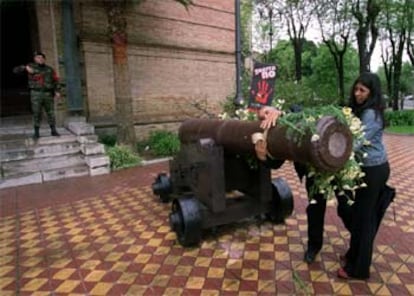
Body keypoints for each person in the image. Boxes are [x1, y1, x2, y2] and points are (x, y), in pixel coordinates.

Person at [256, 105, 351, 264]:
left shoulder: (292, 115)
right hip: (312, 171)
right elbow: (276, 161)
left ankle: (358, 243)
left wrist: (283, 113)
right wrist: (263, 157)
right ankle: (314, 247)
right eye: (261, 117)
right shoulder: (275, 131)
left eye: (266, 112)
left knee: (346, 207)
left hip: (334, 166)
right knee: (315, 208)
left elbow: (300, 112)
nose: (265, 117)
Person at [337, 72, 391, 280]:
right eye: (356, 89)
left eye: (363, 90)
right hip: (367, 169)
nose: (357, 93)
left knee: (364, 219)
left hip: (373, 170)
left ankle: (358, 269)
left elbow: (356, 142)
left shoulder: (370, 114)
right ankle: (354, 255)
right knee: (359, 216)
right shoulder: (364, 111)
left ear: (372, 93)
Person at [14, 51, 61, 139]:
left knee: (50, 113)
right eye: (38, 57)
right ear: (35, 59)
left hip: (47, 94)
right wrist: (24, 67)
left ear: (44, 59)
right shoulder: (30, 67)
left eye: (42, 58)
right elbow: (15, 71)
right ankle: (36, 132)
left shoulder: (49, 69)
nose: (40, 59)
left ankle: (53, 130)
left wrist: (57, 91)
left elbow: (56, 80)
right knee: (37, 112)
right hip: (36, 93)